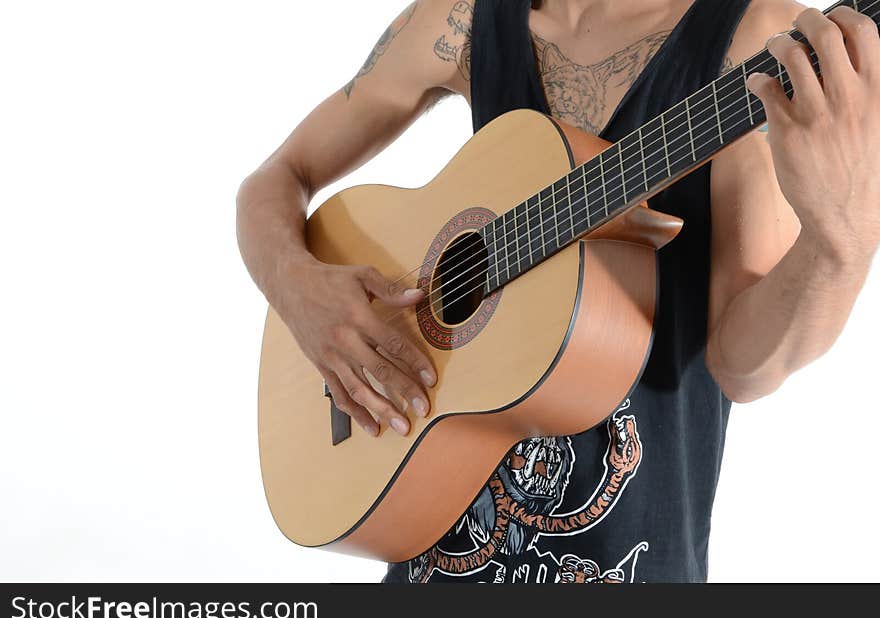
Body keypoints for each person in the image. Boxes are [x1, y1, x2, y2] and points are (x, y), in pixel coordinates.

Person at [236, 0, 879, 582]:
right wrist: (302, 292)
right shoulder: (461, 21)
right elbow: (274, 181)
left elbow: (744, 368)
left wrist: (838, 248)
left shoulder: (755, 41)